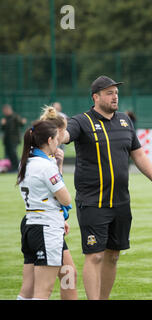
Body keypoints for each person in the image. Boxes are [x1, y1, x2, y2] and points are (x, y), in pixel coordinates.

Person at [60, 75, 152, 300]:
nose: (115, 96)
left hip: (120, 202)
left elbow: (137, 153)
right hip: (93, 202)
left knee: (113, 255)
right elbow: (65, 135)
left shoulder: (125, 121)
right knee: (95, 256)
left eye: (116, 92)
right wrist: (57, 131)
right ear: (96, 97)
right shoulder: (81, 121)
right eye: (109, 93)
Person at [17, 106, 78, 300]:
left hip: (37, 223)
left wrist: (58, 163)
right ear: (54, 135)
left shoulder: (28, 160)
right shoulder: (45, 164)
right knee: (43, 290)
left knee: (68, 274)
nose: (64, 137)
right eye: (64, 131)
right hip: (46, 227)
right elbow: (65, 198)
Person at [1, 104, 27, 172]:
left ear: (8, 110)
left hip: (14, 139)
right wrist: (3, 124)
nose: (4, 112)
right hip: (7, 140)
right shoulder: (5, 118)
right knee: (9, 154)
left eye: (5, 110)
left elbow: (21, 124)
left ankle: (17, 167)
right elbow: (3, 129)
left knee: (13, 153)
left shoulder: (15, 116)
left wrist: (23, 122)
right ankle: (12, 167)